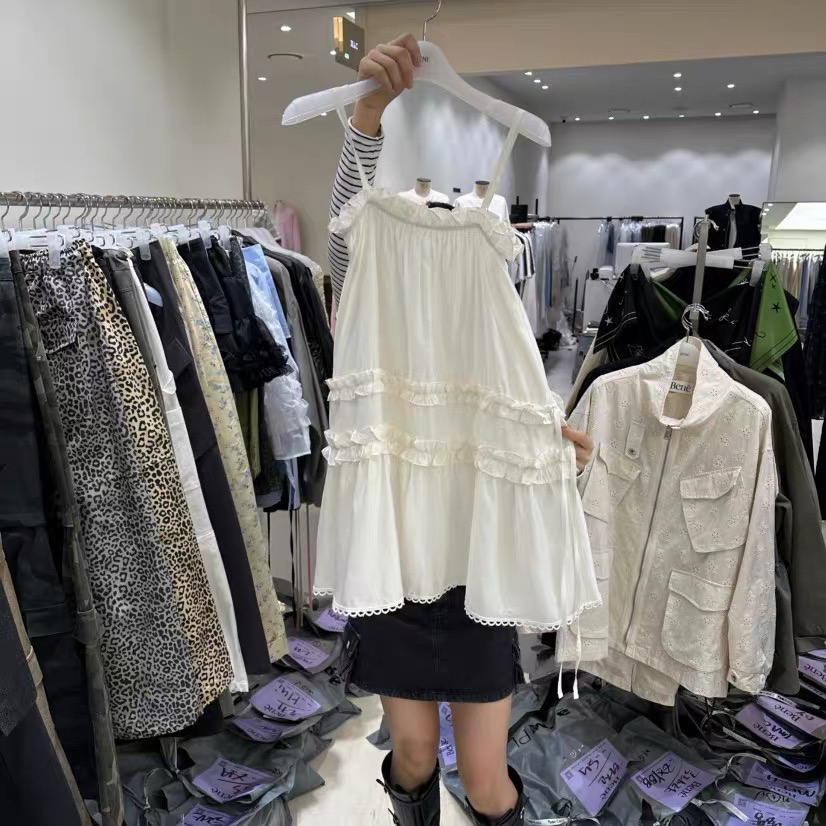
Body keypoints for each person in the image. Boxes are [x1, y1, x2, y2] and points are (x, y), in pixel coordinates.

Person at [326, 33, 595, 826]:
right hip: (397, 544)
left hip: (478, 554)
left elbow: (501, 368)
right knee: (412, 753)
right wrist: (367, 115)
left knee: (483, 776)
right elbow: (348, 219)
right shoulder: (366, 241)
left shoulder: (490, 241)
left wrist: (544, 433)